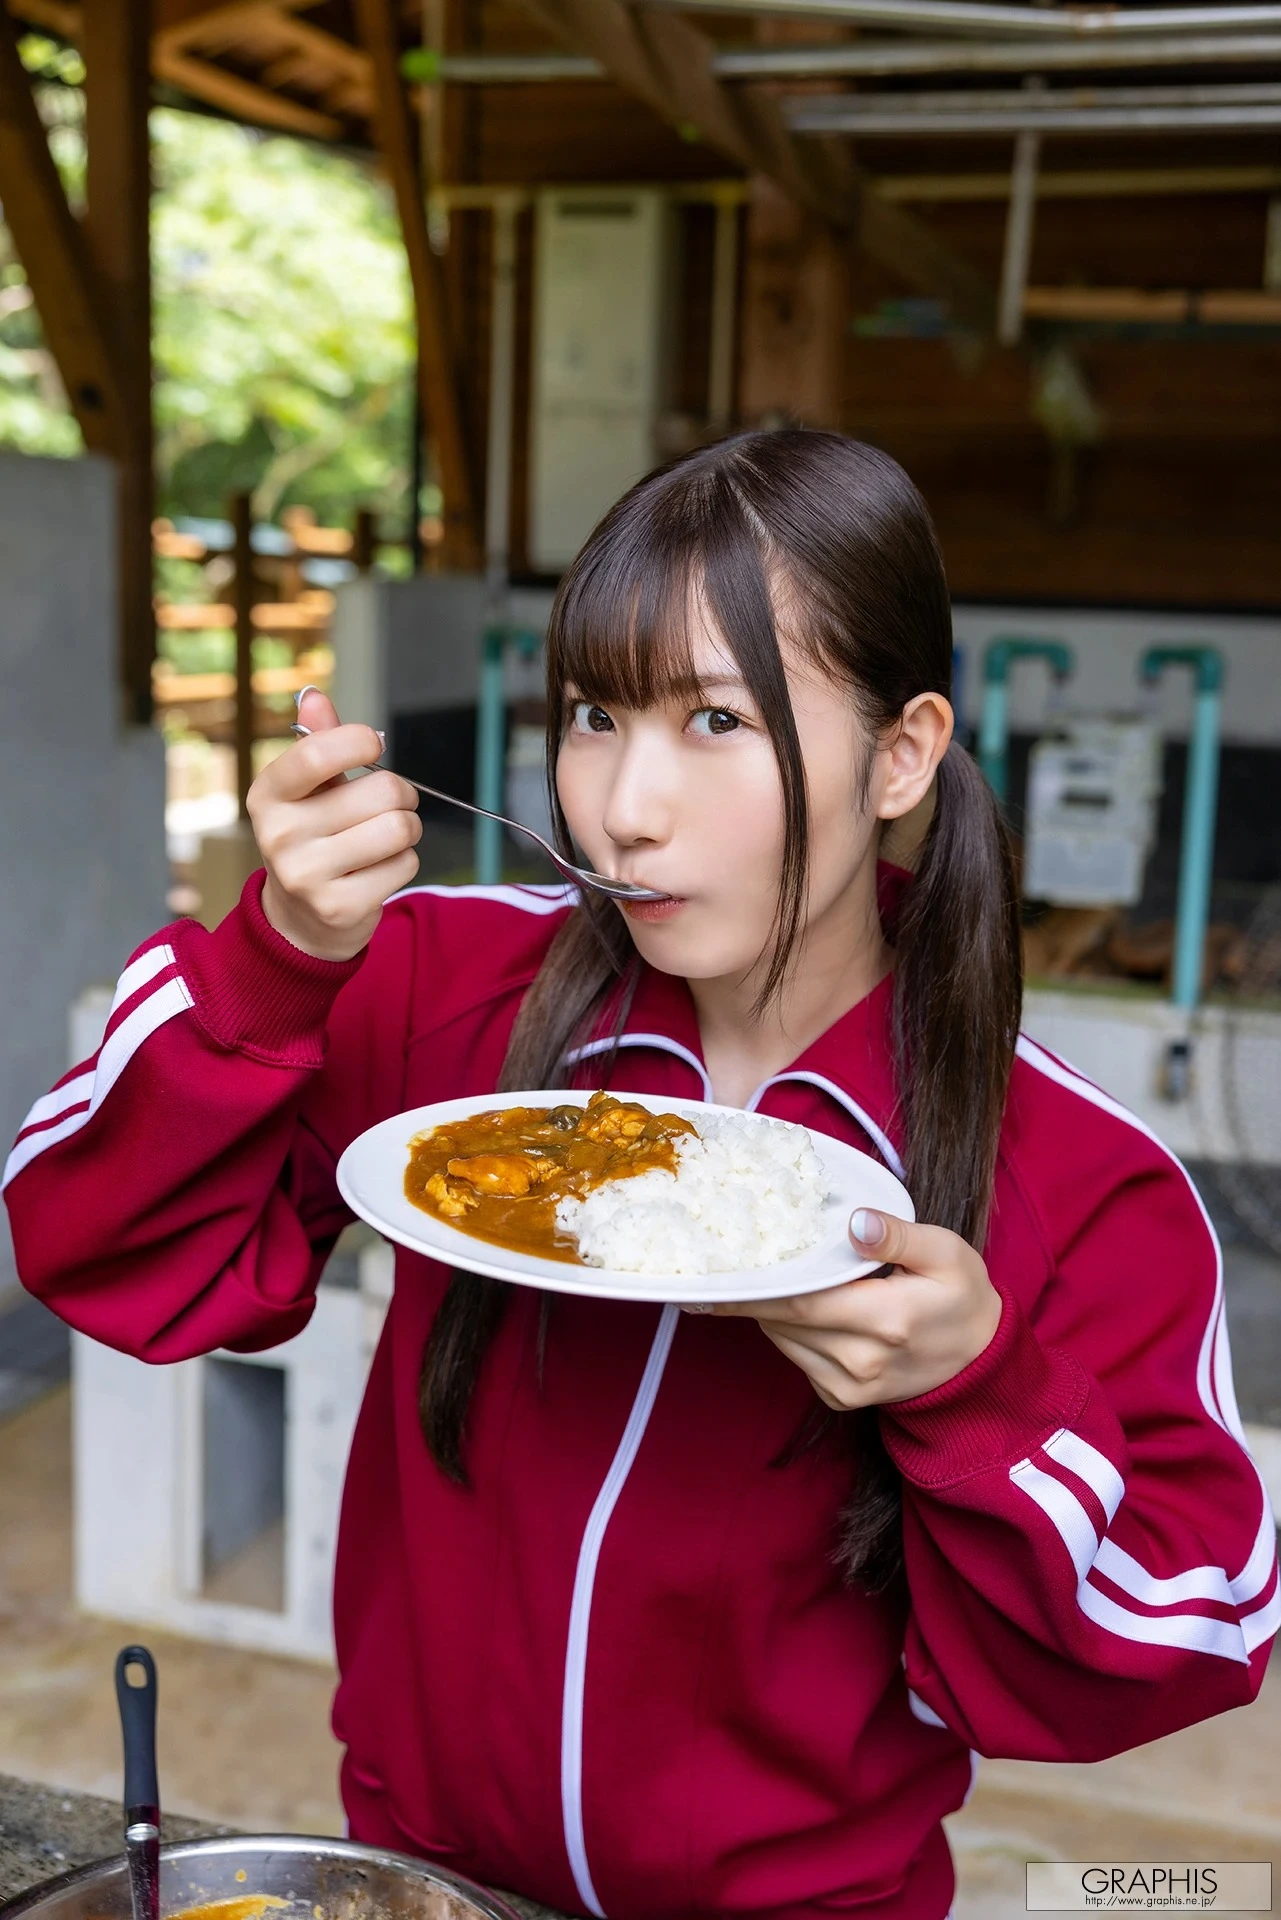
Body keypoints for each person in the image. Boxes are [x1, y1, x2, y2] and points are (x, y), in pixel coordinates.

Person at [6, 431, 1276, 1920]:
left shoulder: (1072, 1170)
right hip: (422, 1881)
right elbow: (89, 1237)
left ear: (902, 754)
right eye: (596, 715)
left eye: (717, 720)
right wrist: (278, 958)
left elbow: (1190, 1632)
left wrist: (976, 1391)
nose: (624, 806)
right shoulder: (440, 988)